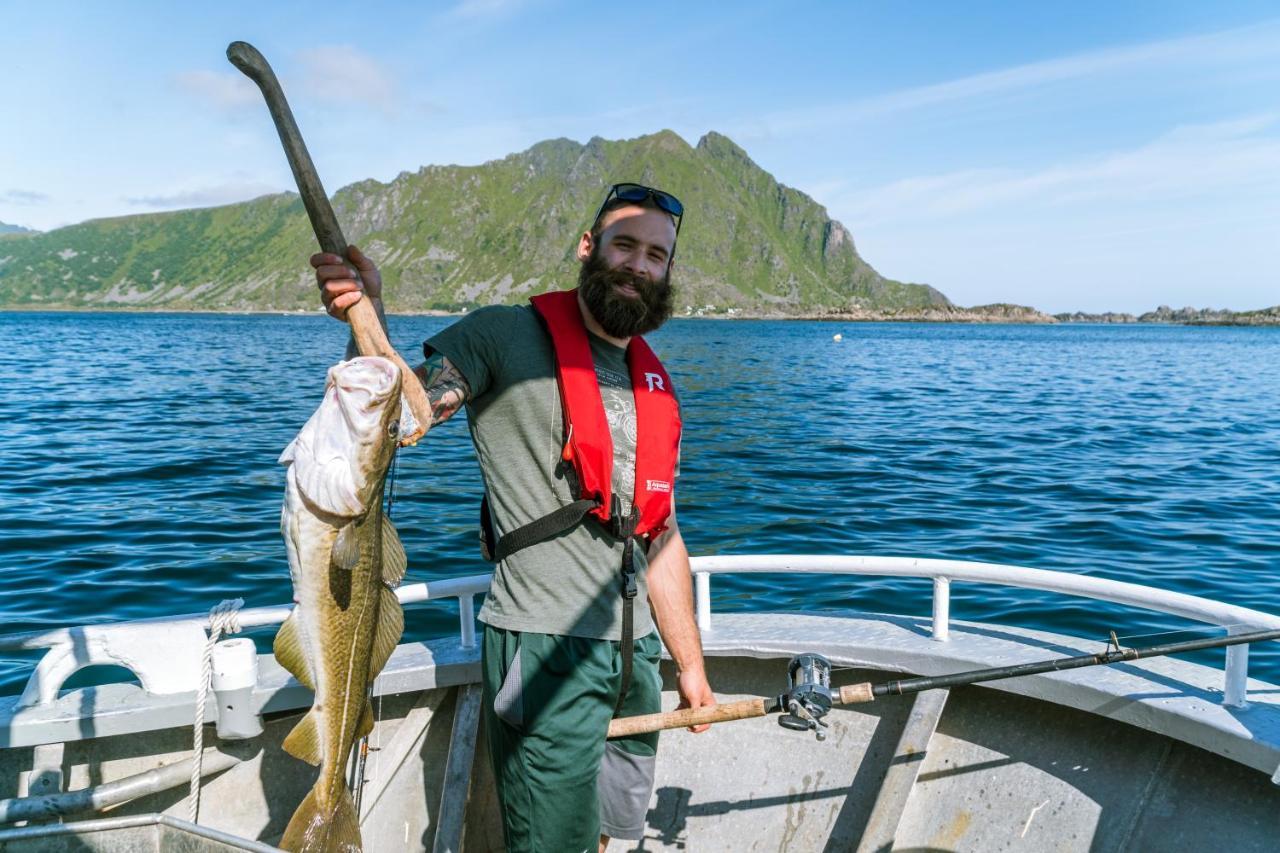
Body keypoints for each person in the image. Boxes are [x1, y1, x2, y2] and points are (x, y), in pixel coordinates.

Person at [313, 183, 715, 852]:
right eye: (624, 244)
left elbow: (661, 532)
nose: (638, 265)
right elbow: (403, 413)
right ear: (589, 248)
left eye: (655, 254)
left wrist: (690, 665)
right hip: (545, 650)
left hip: (637, 659)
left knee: (611, 834)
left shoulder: (654, 380)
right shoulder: (505, 334)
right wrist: (367, 315)